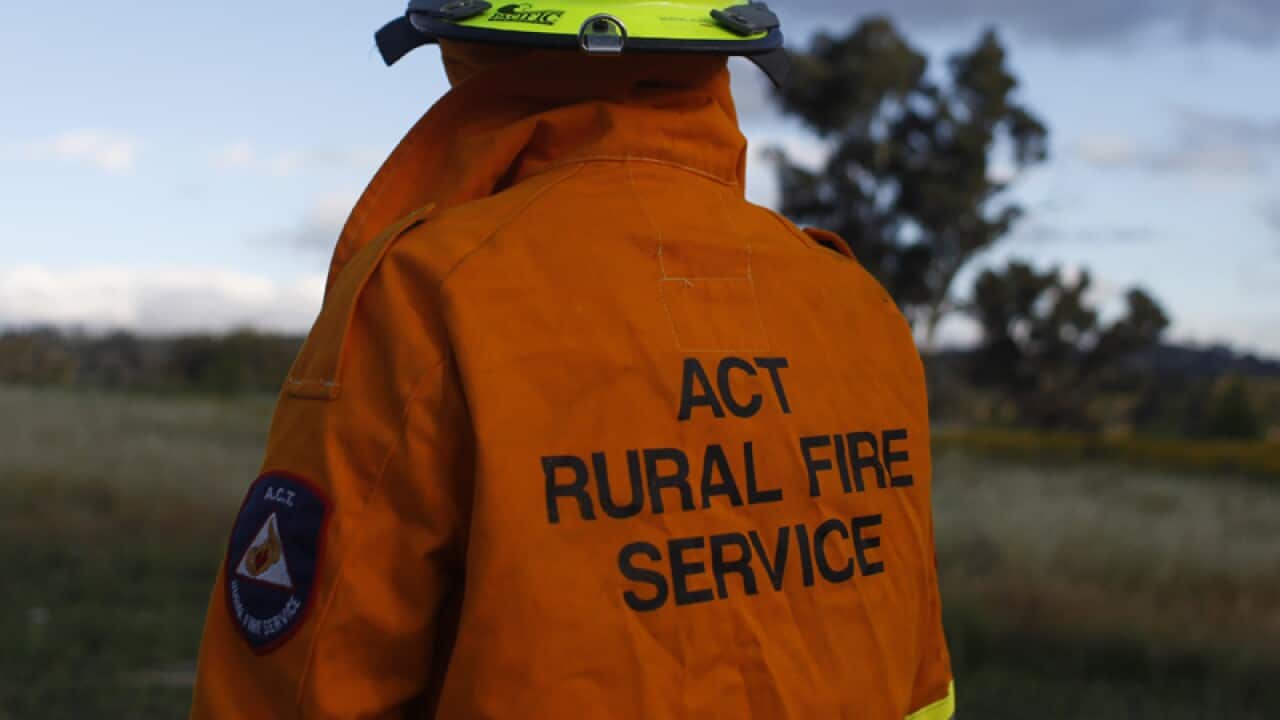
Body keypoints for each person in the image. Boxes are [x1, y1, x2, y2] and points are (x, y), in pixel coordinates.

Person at [190, 2, 955, 718]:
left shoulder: (425, 297)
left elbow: (303, 687)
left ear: (475, 38)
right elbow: (922, 690)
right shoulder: (862, 309)